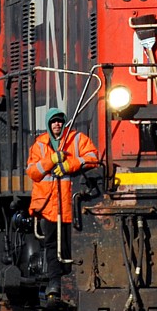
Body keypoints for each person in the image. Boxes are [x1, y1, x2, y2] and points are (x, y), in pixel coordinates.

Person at [26, 108, 98, 301]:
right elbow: (33, 171)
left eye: (60, 121)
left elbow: (93, 157)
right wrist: (51, 160)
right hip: (48, 207)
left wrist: (69, 164)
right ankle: (54, 284)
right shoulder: (39, 145)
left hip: (71, 206)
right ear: (49, 125)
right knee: (51, 245)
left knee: (68, 246)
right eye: (53, 122)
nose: (57, 124)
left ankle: (69, 281)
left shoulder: (76, 139)